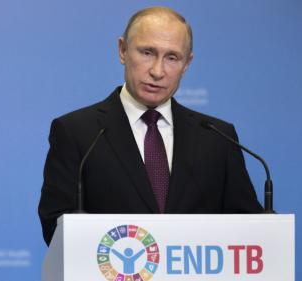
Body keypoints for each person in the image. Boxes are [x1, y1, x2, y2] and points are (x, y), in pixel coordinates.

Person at [38, 6, 263, 246]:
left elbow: (248, 229)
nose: (158, 71)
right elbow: (56, 227)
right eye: (147, 52)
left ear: (187, 64)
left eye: (172, 57)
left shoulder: (217, 138)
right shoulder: (77, 132)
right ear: (122, 50)